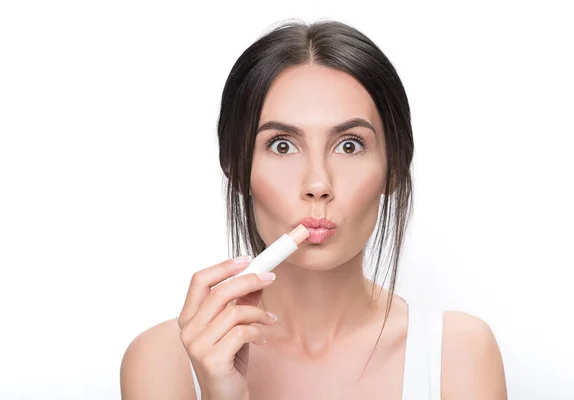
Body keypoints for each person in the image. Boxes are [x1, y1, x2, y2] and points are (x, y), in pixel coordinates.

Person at [120, 19, 507, 399]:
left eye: (350, 145)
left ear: (393, 168)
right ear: (236, 168)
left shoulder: (459, 354)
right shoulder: (161, 361)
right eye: (283, 145)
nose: (318, 184)